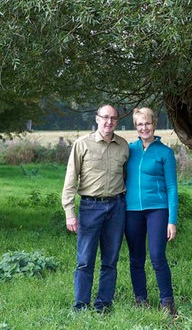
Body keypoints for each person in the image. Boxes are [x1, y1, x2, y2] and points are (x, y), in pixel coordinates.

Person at [61, 104, 129, 313]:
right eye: (105, 117)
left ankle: (103, 304)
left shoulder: (123, 145)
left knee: (110, 259)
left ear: (117, 121)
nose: (109, 122)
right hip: (91, 207)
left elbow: (126, 176)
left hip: (116, 207)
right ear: (97, 118)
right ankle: (81, 304)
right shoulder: (82, 145)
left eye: (113, 118)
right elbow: (70, 179)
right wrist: (69, 212)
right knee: (85, 260)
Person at [124, 107, 179, 317]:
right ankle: (141, 300)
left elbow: (172, 188)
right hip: (132, 211)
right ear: (135, 127)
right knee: (136, 258)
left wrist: (171, 220)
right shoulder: (129, 150)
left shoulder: (165, 152)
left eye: (147, 123)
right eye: (139, 124)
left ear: (154, 124)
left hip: (158, 210)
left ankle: (168, 303)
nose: (144, 127)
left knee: (157, 256)